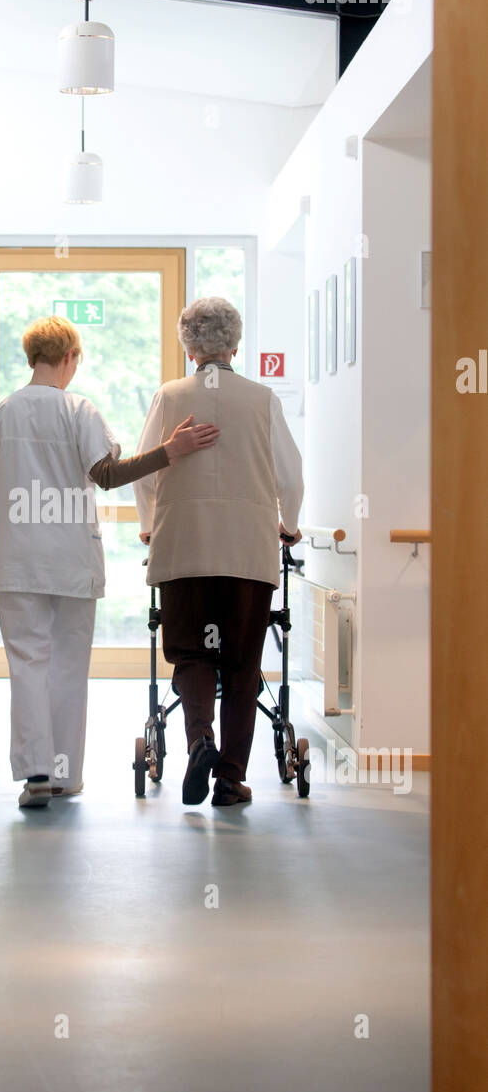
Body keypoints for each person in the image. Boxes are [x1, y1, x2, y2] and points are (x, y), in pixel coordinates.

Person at [0, 315, 219, 809]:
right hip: (72, 561)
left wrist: (28, 522)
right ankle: (65, 775)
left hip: (18, 560)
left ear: (32, 358)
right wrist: (170, 451)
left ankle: (36, 776)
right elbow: (106, 474)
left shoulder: (1, 411)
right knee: (67, 667)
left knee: (28, 665)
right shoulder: (78, 408)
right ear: (70, 358)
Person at [134, 296, 304, 807]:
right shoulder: (261, 399)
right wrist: (288, 526)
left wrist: (148, 528)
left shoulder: (169, 395)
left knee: (191, 652)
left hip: (184, 548)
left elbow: (145, 472)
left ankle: (198, 739)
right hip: (247, 554)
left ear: (190, 348)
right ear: (235, 344)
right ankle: (230, 778)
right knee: (240, 661)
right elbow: (291, 477)